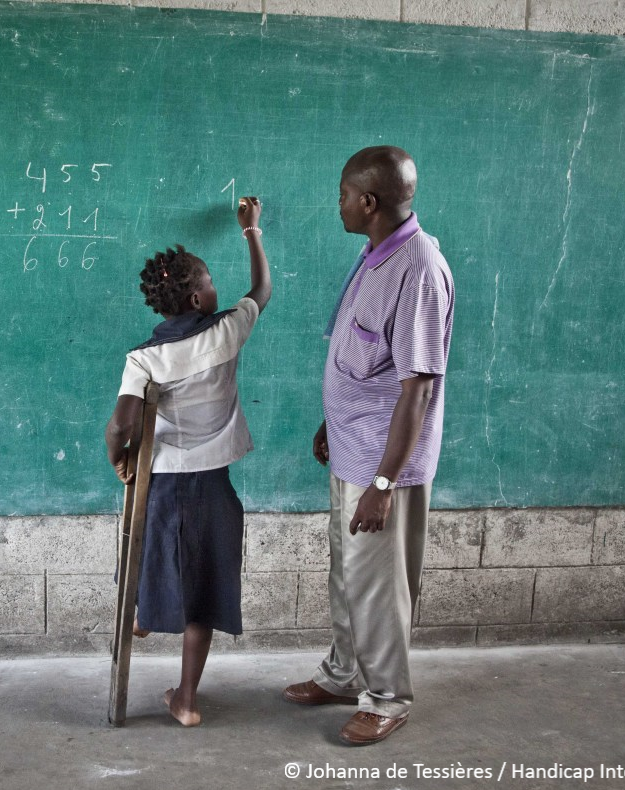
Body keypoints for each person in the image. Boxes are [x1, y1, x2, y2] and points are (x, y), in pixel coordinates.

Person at [283, 146, 454, 746]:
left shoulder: (418, 270)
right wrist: (333, 418)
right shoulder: (377, 254)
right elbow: (365, 356)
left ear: (369, 202)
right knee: (347, 573)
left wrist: (383, 484)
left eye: (341, 195)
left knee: (379, 584)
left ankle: (387, 698)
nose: (338, 204)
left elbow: (417, 389)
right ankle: (343, 672)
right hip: (353, 447)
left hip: (384, 465)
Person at [105, 198, 271, 727]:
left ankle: (143, 615)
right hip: (213, 487)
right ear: (200, 297)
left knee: (144, 548)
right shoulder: (227, 331)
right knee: (203, 590)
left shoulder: (143, 359)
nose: (217, 289)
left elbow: (122, 423)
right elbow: (261, 291)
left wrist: (119, 455)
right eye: (211, 281)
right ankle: (188, 701)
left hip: (161, 485)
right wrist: (252, 232)